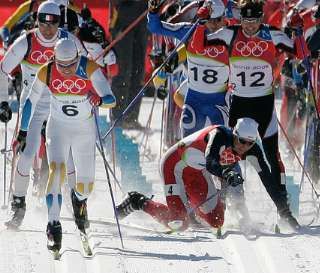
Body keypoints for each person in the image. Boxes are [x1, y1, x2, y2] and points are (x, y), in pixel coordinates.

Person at [194, 0, 309, 230]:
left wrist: (298, 31)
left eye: (253, 22)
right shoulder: (230, 34)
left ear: (261, 20)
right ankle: (227, 206)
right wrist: (201, 21)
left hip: (264, 105)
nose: (248, 27)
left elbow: (302, 53)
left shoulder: (273, 35)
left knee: (272, 159)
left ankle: (284, 212)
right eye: (245, 21)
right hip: (239, 105)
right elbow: (198, 46)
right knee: (230, 155)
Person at [16, 38, 116, 252]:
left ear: (77, 58)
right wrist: (23, 131)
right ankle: (53, 224)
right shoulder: (47, 71)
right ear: (54, 59)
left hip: (84, 132)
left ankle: (79, 200)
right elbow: (30, 101)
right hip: (57, 128)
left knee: (86, 186)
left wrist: (99, 100)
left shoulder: (88, 67)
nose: (67, 70)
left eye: (71, 65)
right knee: (57, 170)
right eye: (62, 65)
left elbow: (111, 99)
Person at [0, 1, 85, 229]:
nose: (48, 27)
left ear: (59, 21)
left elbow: (88, 65)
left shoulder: (67, 40)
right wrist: (3, 102)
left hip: (61, 104)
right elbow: (3, 68)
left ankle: (76, 202)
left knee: (67, 156)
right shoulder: (27, 41)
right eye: (43, 21)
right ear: (36, 19)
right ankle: (18, 205)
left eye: (53, 22)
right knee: (26, 154)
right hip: (33, 104)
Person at [116, 118, 275, 233]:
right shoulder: (218, 135)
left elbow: (268, 176)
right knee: (178, 223)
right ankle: (137, 201)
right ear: (234, 134)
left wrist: (284, 209)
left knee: (217, 221)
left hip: (197, 172)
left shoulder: (252, 148)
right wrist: (227, 173)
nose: (245, 146)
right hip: (174, 167)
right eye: (242, 141)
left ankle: (190, 209)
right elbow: (211, 161)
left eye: (250, 143)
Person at [147, 0, 230, 137]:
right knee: (188, 142)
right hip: (194, 95)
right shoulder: (189, 30)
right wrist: (153, 11)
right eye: (209, 20)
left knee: (222, 143)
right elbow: (156, 27)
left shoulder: (232, 34)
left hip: (220, 99)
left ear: (224, 19)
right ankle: (172, 139)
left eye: (218, 20)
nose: (214, 25)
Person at [110, 0, 148, 129]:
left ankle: (131, 117)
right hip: (123, 24)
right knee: (123, 72)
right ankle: (117, 117)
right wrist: (115, 30)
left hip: (142, 21)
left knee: (138, 73)